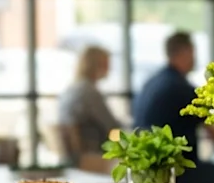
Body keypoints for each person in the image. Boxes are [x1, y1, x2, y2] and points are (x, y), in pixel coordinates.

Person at [133, 32, 200, 163]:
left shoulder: (152, 82)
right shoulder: (180, 88)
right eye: (193, 52)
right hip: (176, 168)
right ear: (185, 52)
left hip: (148, 166)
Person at [56, 45, 121, 163]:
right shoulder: (89, 92)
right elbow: (112, 127)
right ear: (97, 65)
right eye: (107, 64)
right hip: (90, 158)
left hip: (71, 157)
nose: (109, 68)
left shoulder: (71, 89)